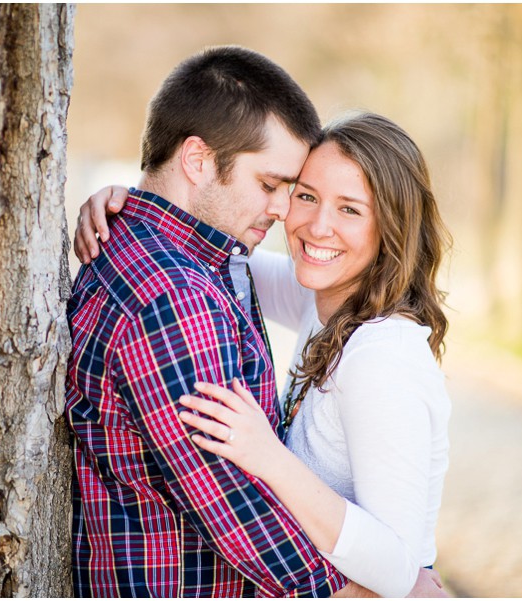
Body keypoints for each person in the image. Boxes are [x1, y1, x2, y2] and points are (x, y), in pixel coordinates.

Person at [74, 112, 452, 597]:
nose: (318, 227)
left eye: (350, 210)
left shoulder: (382, 359)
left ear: (392, 227)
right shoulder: (326, 299)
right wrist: (132, 203)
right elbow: (214, 259)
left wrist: (271, 458)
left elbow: (400, 570)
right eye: (307, 196)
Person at [65, 45, 349, 597]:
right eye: (270, 185)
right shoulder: (173, 295)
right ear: (196, 160)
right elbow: (234, 502)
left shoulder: (161, 251)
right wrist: (364, 592)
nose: (282, 210)